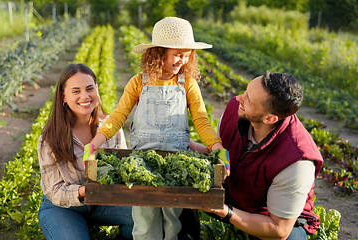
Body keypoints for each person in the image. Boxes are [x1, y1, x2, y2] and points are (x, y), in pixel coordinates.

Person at [87, 17, 224, 240]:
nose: (183, 60)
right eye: (178, 54)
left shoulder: (187, 83)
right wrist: (95, 142)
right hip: (142, 163)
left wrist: (216, 146)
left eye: (187, 55)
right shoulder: (138, 82)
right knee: (145, 221)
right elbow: (118, 116)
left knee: (173, 222)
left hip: (176, 162)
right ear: (159, 52)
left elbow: (201, 120)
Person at [203, 71, 323, 239]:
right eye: (246, 91)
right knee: (181, 183)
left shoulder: (297, 161)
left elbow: (279, 230)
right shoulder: (235, 110)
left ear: (270, 119)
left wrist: (224, 211)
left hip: (269, 216)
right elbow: (218, 155)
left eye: (249, 99)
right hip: (236, 191)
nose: (239, 98)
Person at [37, 63, 133, 240]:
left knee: (149, 219)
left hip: (104, 203)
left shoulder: (111, 128)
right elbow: (54, 190)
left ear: (96, 89)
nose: (85, 96)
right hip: (64, 208)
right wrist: (85, 191)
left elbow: (123, 171)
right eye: (76, 91)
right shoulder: (50, 138)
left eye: (89, 88)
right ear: (63, 96)